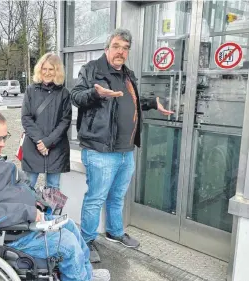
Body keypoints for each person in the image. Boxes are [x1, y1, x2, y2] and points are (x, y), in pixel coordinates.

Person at [0, 109, 111, 281]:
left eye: (4, 137)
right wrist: (27, 211)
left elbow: (15, 181)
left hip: (25, 221)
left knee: (70, 226)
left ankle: (86, 274)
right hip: (8, 234)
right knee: (67, 244)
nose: (2, 144)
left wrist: (35, 199)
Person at [71, 28, 174, 262]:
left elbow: (130, 103)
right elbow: (76, 96)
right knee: (96, 198)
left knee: (117, 196)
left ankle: (115, 232)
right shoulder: (92, 70)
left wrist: (151, 102)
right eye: (116, 46)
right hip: (100, 150)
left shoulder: (128, 74)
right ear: (107, 48)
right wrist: (96, 94)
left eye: (125, 48)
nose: (121, 52)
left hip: (126, 151)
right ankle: (85, 241)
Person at [21, 53, 72, 190]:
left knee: (53, 188)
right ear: (39, 69)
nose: (47, 73)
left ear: (57, 71)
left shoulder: (64, 93)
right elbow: (26, 118)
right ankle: (29, 212)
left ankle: (50, 213)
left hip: (56, 148)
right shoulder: (30, 90)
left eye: (51, 69)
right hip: (33, 145)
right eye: (44, 69)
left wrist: (48, 142)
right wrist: (40, 141)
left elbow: (65, 121)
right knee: (27, 186)